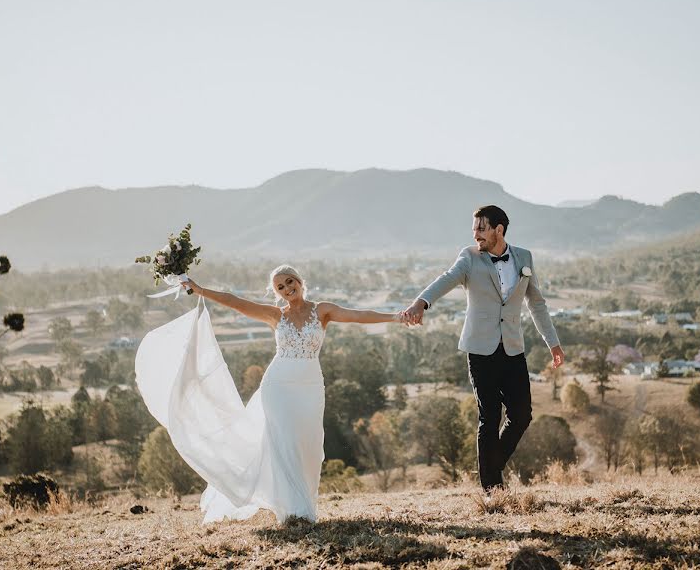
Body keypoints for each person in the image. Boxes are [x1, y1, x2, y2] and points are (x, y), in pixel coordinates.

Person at [134, 264, 399, 523]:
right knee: (285, 441)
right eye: (280, 287)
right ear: (277, 292)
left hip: (310, 387)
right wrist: (200, 289)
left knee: (308, 445)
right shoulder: (276, 316)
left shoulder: (323, 311)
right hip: (278, 386)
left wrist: (397, 317)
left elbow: (359, 315)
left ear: (299, 281)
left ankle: (303, 501)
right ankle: (294, 511)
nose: (286, 289)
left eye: (289, 282)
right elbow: (234, 301)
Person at [401, 205, 564, 492]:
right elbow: (446, 279)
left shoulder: (524, 257)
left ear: (499, 230)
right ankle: (492, 488)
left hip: (513, 349)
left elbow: (536, 304)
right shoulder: (469, 258)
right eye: (474, 227)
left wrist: (553, 343)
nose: (475, 233)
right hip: (480, 349)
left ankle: (492, 465)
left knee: (522, 414)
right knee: (489, 416)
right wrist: (420, 302)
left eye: (481, 228)